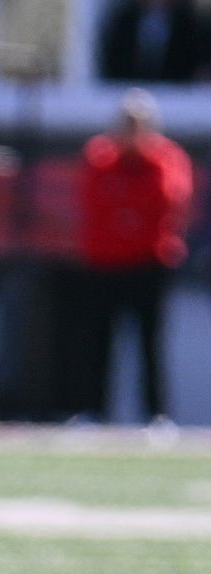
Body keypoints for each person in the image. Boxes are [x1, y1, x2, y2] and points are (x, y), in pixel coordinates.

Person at [77, 90, 195, 421]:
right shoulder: (99, 157)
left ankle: (156, 415)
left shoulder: (166, 159)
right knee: (98, 342)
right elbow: (97, 202)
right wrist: (128, 210)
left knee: (149, 343)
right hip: (106, 263)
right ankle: (94, 412)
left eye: (137, 124)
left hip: (148, 263)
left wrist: (128, 206)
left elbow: (166, 201)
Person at [97, 0, 203, 83]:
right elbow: (113, 53)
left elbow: (194, 54)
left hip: (175, 89)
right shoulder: (125, 18)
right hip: (131, 85)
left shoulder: (186, 19)